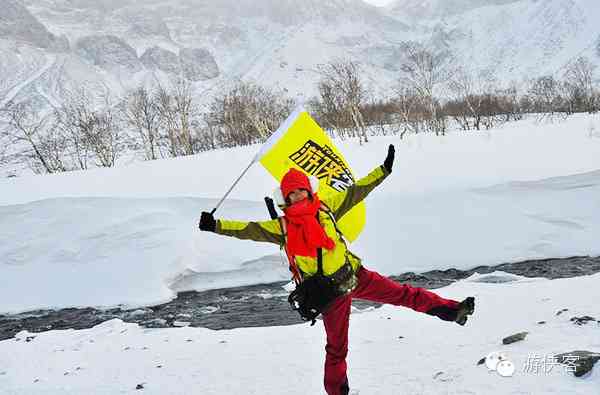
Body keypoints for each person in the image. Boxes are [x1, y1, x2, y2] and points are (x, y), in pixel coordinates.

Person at [199, 145, 475, 395]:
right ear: (285, 197)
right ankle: (336, 392)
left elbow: (357, 191)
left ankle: (452, 311)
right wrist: (215, 225)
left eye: (299, 190)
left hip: (354, 275)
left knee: (406, 294)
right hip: (329, 295)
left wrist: (384, 170)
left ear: (309, 189)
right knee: (337, 349)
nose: (296, 195)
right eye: (290, 193)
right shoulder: (282, 227)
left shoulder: (326, 209)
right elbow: (247, 230)